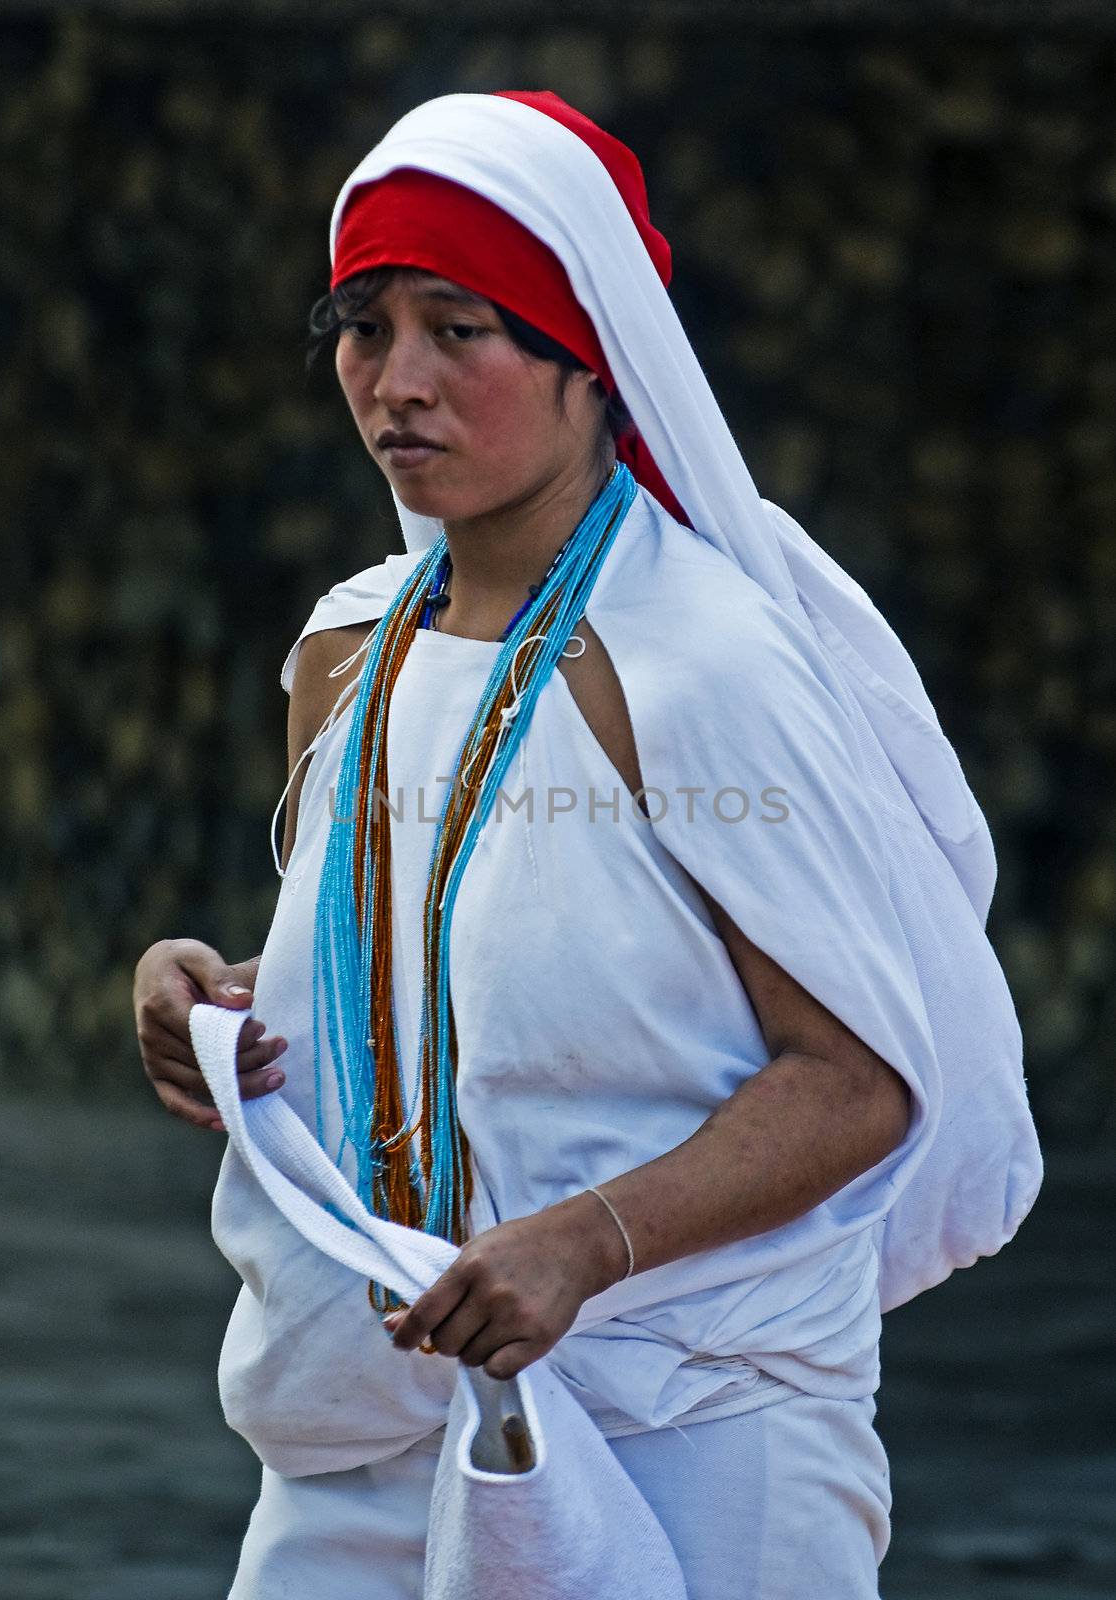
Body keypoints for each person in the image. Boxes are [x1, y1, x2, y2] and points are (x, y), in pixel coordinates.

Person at [133, 90, 1039, 1598]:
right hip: (378, 1406)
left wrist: (586, 1244)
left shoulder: (703, 666)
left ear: (590, 364)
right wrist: (217, 1002)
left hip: (692, 1412)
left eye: (459, 328)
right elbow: (415, 971)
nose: (394, 381)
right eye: (363, 327)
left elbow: (862, 1081)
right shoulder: (347, 649)